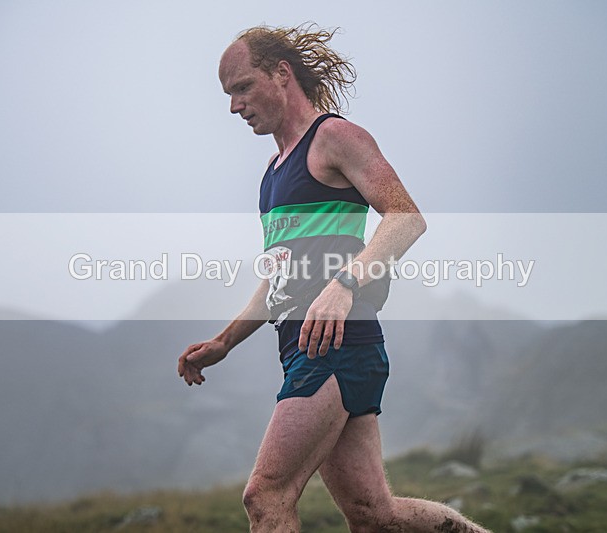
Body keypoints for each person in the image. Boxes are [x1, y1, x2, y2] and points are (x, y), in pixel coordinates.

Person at [178, 24, 491, 533]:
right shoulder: (273, 172)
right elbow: (281, 278)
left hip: (335, 342)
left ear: (281, 74)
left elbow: (406, 217)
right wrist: (224, 341)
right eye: (228, 94)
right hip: (306, 343)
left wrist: (344, 284)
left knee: (265, 496)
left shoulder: (334, 137)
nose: (234, 107)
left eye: (242, 87)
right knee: (375, 515)